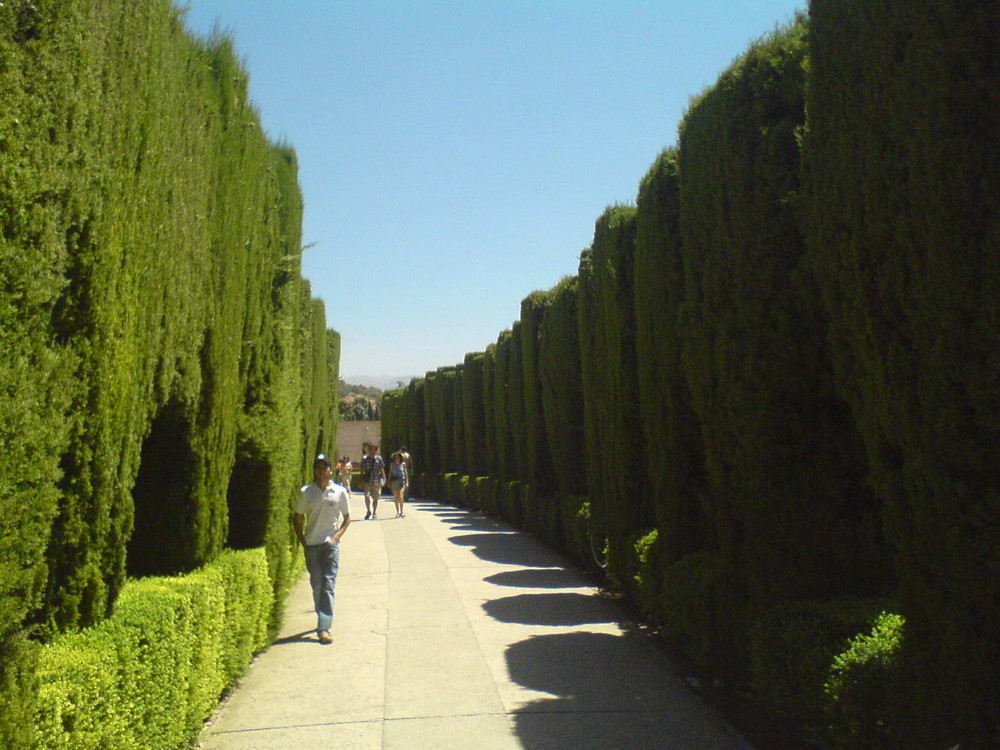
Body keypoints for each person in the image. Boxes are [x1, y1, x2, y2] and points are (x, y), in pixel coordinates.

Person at [294, 453, 351, 644]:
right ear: (315, 471)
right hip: (312, 545)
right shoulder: (307, 492)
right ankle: (322, 615)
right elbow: (297, 518)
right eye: (318, 467)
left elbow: (347, 518)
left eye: (324, 467)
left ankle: (324, 627)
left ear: (330, 469)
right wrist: (303, 540)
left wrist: (335, 538)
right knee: (316, 584)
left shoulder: (339, 491)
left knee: (328, 585)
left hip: (330, 545)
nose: (322, 470)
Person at [360, 443, 385, 519]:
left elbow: (382, 469)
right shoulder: (365, 459)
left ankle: (374, 512)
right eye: (371, 449)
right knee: (366, 496)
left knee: (376, 497)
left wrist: (384, 479)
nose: (373, 451)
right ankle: (368, 511)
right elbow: (362, 470)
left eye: (374, 449)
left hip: (376, 480)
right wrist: (360, 482)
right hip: (367, 480)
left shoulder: (379, 459)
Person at [388, 451, 409, 517]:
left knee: (401, 496)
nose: (396, 459)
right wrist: (388, 482)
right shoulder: (392, 465)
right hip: (394, 482)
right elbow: (390, 473)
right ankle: (397, 512)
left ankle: (402, 512)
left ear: (400, 458)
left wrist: (407, 482)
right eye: (395, 458)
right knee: (396, 497)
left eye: (397, 457)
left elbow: (405, 473)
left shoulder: (403, 464)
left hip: (401, 481)